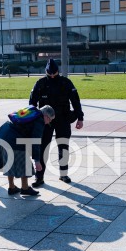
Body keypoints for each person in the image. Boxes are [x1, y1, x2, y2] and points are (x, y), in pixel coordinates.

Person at [29, 59, 84, 187]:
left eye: (54, 73)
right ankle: (39, 177)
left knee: (63, 147)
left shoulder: (66, 82)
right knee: (43, 148)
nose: (52, 76)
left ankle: (63, 174)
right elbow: (32, 104)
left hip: (63, 119)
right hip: (45, 121)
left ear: (58, 71)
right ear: (46, 71)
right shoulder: (40, 83)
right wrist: (32, 120)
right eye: (50, 73)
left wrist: (80, 118)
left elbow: (76, 101)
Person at [0, 105, 55, 196]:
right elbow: (35, 142)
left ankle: (11, 187)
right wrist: (37, 161)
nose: (49, 123)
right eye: (50, 120)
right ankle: (25, 188)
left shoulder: (32, 111)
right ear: (46, 116)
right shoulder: (40, 121)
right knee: (25, 163)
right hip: (13, 138)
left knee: (9, 163)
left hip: (2, 133)